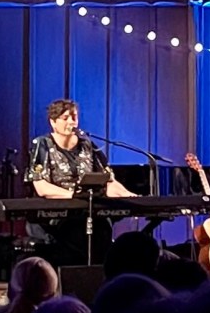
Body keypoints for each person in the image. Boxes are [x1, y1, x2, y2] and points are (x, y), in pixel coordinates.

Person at [24, 99, 136, 264]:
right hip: (58, 211)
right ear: (53, 122)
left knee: (103, 226)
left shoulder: (88, 145)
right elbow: (41, 186)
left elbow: (108, 181)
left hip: (88, 208)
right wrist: (73, 195)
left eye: (74, 117)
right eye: (65, 118)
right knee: (74, 232)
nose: (71, 122)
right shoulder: (42, 144)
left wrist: (127, 195)